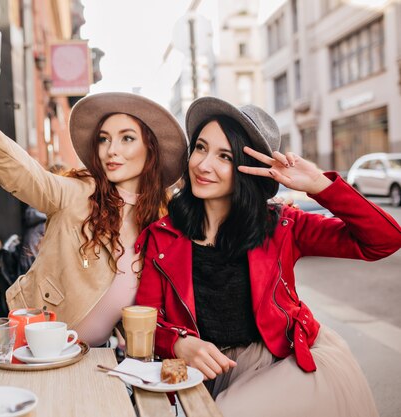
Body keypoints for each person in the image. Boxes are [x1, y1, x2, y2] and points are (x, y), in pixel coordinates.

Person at [135, 96, 401, 417]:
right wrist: (177, 343)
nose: (204, 165)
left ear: (249, 171)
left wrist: (319, 185)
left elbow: (384, 240)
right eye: (201, 148)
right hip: (203, 369)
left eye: (225, 156)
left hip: (281, 361)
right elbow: (147, 319)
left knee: (228, 411)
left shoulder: (284, 225)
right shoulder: (162, 235)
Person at [0, 42, 188, 347]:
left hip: (93, 360)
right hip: (32, 350)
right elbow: (25, 174)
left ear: (151, 152)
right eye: (104, 139)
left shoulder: (160, 224)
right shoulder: (78, 194)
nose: (111, 150)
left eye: (126, 138)